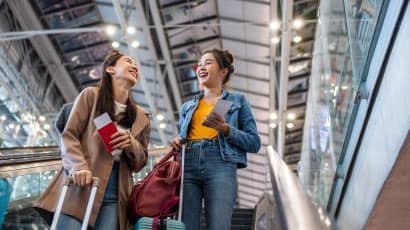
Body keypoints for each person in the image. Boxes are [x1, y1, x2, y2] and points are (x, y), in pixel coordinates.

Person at [35, 49, 151, 230]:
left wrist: (131, 143)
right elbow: (70, 135)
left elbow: (141, 160)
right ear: (110, 69)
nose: (134, 67)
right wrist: (78, 167)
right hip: (82, 183)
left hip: (117, 193)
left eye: (136, 65)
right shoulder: (91, 96)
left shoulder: (141, 116)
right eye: (129, 61)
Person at [170, 49, 261, 230]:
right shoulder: (187, 107)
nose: (201, 67)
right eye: (200, 64)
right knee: (185, 225)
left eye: (208, 62)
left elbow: (254, 142)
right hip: (188, 163)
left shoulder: (237, 100)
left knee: (219, 224)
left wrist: (226, 129)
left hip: (221, 163)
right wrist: (177, 141)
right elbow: (182, 136)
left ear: (223, 71)